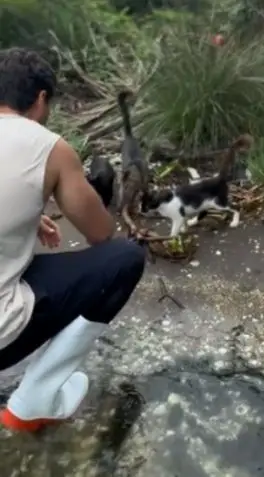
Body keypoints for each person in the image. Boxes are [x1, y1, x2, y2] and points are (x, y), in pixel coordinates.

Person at [0, 48, 147, 432]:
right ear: (41, 99)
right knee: (124, 258)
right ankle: (33, 403)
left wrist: (25, 218)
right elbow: (100, 233)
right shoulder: (48, 146)